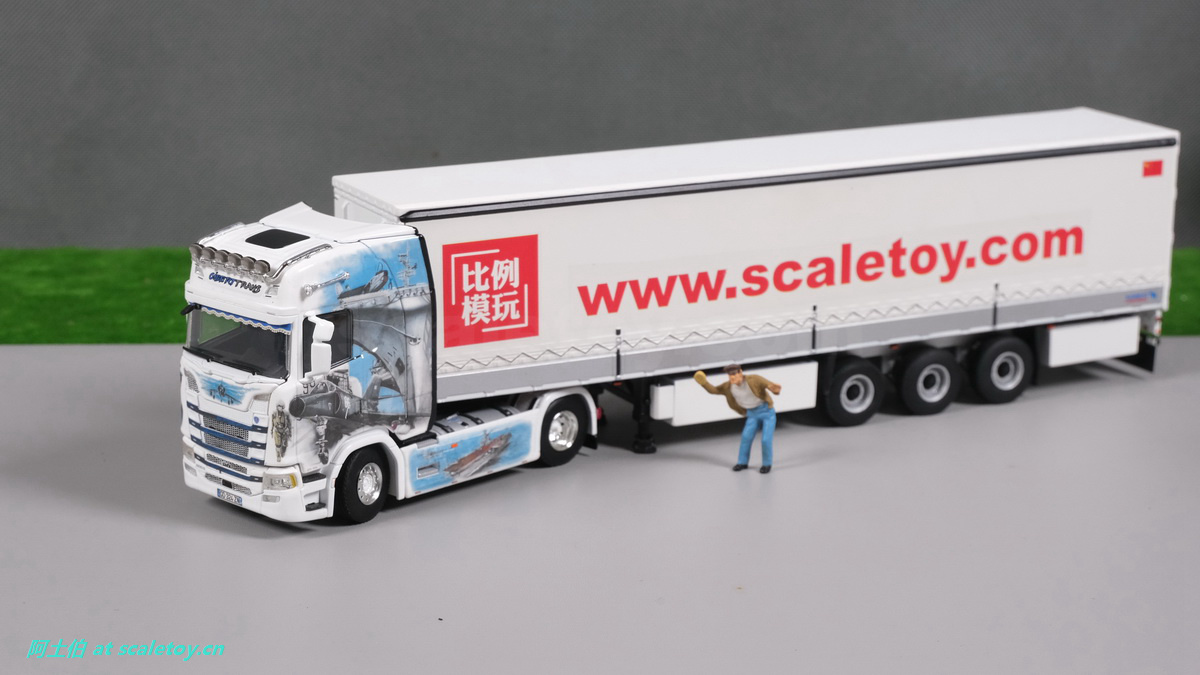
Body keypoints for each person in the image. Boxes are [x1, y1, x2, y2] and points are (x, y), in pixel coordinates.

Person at [693, 364, 782, 473]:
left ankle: (767, 464)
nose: (732, 377)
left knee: (766, 440)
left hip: (767, 413)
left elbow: (769, 385)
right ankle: (742, 462)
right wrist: (703, 383)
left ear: (740, 372)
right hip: (752, 414)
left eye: (734, 374)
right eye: (730, 375)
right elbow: (714, 390)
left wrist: (774, 389)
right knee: (746, 438)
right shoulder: (728, 386)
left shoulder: (754, 379)